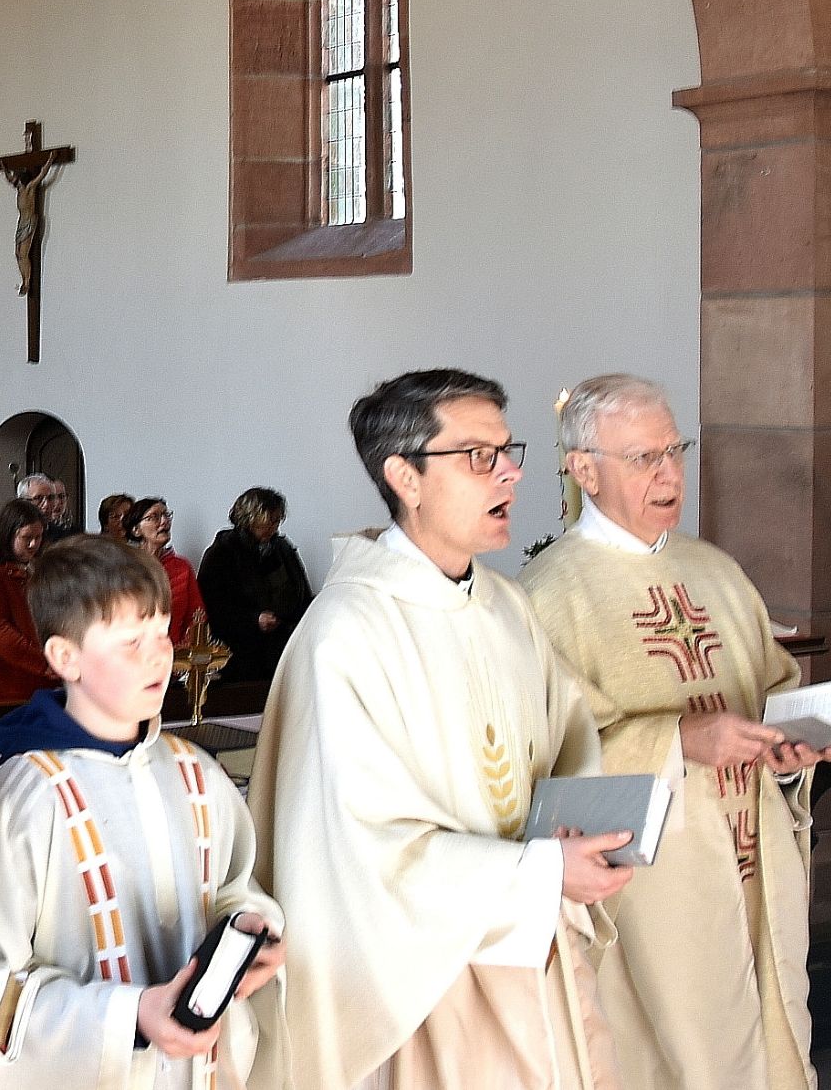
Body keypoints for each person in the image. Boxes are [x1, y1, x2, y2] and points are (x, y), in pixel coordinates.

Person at [246, 368, 629, 1090]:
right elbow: (358, 855)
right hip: (421, 997)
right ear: (405, 476)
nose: (510, 472)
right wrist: (539, 872)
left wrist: (585, 838)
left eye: (507, 450)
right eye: (479, 455)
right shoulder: (343, 634)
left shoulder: (506, 606)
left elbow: (567, 744)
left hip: (533, 962)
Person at [522, 373, 829, 1090]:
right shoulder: (546, 594)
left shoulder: (716, 571)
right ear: (583, 468)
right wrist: (677, 742)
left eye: (674, 449)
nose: (667, 472)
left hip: (753, 858)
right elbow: (549, 758)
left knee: (775, 1037)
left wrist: (789, 750)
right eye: (643, 457)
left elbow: (772, 684)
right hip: (656, 887)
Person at [0, 534, 285, 1089]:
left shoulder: (196, 773)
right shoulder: (26, 798)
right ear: (64, 657)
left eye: (161, 633)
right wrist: (131, 1017)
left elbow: (232, 886)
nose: (160, 654)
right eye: (132, 642)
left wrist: (252, 930)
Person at [196, 487, 311, 683]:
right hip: (240, 656)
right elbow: (213, 606)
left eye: (276, 521)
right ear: (249, 519)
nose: (273, 528)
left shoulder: (283, 549)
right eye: (267, 522)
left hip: (283, 649)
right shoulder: (221, 553)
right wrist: (253, 619)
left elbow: (302, 593)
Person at [0, 498, 57, 702]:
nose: (34, 544)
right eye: (27, 537)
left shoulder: (43, 571)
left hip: (45, 683)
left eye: (38, 537)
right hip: (6, 686)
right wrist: (44, 664)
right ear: (10, 535)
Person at [123, 497, 203, 644]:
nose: (164, 522)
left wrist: (187, 646)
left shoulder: (182, 567)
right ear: (136, 530)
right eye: (154, 517)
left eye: (166, 515)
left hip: (173, 654)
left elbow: (196, 614)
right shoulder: (124, 567)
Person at [19, 473, 76, 544]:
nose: (46, 505)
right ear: (23, 501)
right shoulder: (13, 532)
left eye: (50, 498)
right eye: (38, 498)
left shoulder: (64, 537)